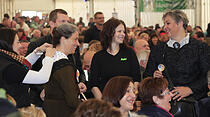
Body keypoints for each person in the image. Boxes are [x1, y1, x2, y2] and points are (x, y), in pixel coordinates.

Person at [144, 10, 209, 101]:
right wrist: (153, 77)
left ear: (180, 23)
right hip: (166, 104)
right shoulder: (158, 49)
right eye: (164, 24)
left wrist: (190, 89)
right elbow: (146, 76)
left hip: (195, 104)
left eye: (168, 23)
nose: (164, 27)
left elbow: (206, 77)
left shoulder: (201, 47)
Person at [26, 9, 86, 107]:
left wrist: (80, 82)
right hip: (42, 102)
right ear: (51, 23)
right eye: (63, 21)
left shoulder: (73, 46)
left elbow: (78, 68)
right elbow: (28, 72)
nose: (66, 24)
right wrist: (42, 89)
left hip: (67, 100)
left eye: (68, 22)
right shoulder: (37, 45)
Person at [0, 28, 56, 109]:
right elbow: (42, 77)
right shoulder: (8, 67)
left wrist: (38, 51)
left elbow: (23, 63)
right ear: (8, 43)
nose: (20, 45)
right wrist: (49, 57)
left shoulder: (4, 58)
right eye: (17, 42)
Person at [89, 18, 141, 99]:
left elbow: (137, 78)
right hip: (106, 102)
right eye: (119, 31)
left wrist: (132, 95)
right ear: (109, 33)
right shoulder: (98, 57)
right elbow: (93, 84)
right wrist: (103, 103)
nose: (123, 34)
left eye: (124, 32)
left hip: (127, 99)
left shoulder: (129, 53)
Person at [43, 23, 81, 117]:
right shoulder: (64, 66)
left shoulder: (49, 59)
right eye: (75, 39)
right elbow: (72, 100)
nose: (78, 43)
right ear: (63, 39)